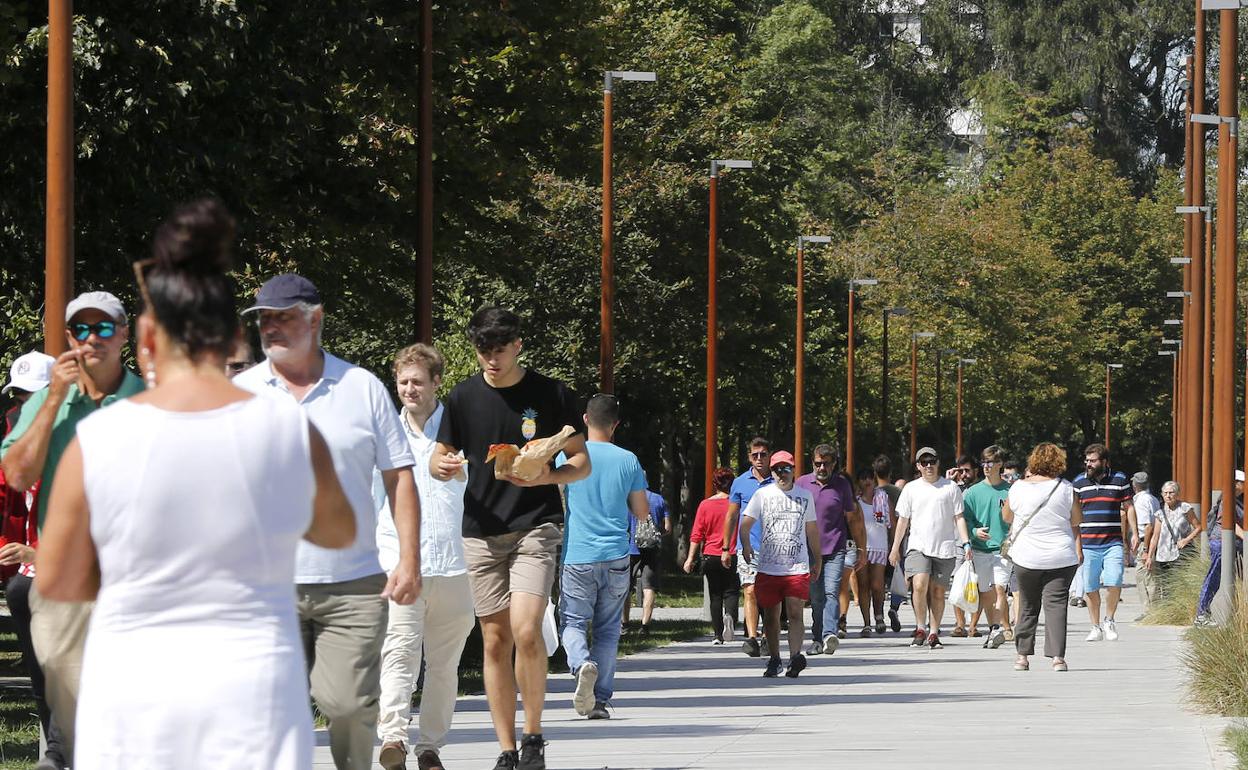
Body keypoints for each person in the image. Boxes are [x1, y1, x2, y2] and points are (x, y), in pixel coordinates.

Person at [34, 198, 357, 769]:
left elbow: (59, 579)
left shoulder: (101, 438)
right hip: (253, 687)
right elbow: (338, 531)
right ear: (235, 336)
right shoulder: (285, 427)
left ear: (147, 339)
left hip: (131, 687)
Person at [234, 273, 423, 770]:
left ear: (315, 320)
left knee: (346, 706)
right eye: (263, 320)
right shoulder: (240, 393)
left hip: (353, 583)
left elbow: (400, 478)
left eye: (283, 317)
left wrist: (408, 559)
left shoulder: (361, 388)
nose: (271, 329)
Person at [430, 307, 589, 770]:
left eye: (499, 350)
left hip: (535, 526)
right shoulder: (462, 398)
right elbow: (440, 457)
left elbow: (581, 463)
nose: (491, 360)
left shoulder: (550, 392)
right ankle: (505, 748)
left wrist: (540, 478)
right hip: (480, 531)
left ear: (518, 345)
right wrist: (441, 466)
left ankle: (533, 735)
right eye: (483, 351)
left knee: (525, 628)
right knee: (495, 640)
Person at [2, 290, 145, 764]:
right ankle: (62, 750)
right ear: (67, 338)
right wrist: (51, 402)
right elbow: (17, 477)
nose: (91, 338)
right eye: (80, 329)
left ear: (123, 334)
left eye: (103, 328)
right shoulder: (43, 406)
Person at [375, 343, 475, 770]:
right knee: (398, 652)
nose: (409, 389)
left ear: (437, 382)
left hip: (457, 563)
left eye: (418, 381)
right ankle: (393, 737)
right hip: (400, 563)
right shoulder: (384, 436)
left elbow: (486, 491)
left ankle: (431, 747)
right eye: (403, 381)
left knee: (443, 664)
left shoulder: (463, 434)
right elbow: (370, 500)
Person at [559, 393, 648, 721]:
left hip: (577, 553)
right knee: (609, 628)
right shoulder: (629, 460)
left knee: (572, 621)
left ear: (585, 419)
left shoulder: (569, 456)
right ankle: (598, 701)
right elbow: (640, 511)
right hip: (616, 555)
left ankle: (581, 662)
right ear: (616, 425)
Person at [0, 351, 63, 770]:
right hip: (23, 576)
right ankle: (57, 752)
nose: (25, 405)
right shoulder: (12, 437)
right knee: (41, 677)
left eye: (34, 396)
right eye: (19, 396)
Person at [739, 451, 820, 678]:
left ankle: (795, 657)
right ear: (771, 472)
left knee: (795, 612)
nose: (781, 474)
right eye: (776, 469)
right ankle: (775, 659)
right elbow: (745, 525)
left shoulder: (805, 496)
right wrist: (745, 545)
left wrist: (818, 558)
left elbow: (812, 530)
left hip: (797, 566)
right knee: (772, 616)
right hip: (768, 567)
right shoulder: (762, 495)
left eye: (786, 469)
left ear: (794, 470)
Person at [1003, 442, 1082, 672]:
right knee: (1056, 605)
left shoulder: (1018, 487)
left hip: (1026, 557)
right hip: (1061, 556)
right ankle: (1057, 658)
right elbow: (1076, 520)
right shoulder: (1067, 488)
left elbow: (1007, 517)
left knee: (1027, 604)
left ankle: (1022, 657)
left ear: (1033, 461)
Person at [889, 447, 972, 650]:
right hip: (918, 546)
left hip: (944, 547)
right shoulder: (910, 488)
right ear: (918, 466)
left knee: (937, 591)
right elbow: (903, 521)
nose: (928, 465)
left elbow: (959, 517)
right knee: (919, 584)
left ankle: (934, 631)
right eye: (923, 462)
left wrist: (966, 542)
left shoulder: (950, 488)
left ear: (938, 463)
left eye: (932, 461)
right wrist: (895, 548)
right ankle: (920, 627)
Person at [795, 443, 861, 654]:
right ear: (812, 463)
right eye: (818, 463)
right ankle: (816, 637)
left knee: (832, 592)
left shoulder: (842, 485)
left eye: (826, 464)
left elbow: (852, 519)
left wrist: (861, 548)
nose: (821, 468)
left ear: (834, 464)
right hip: (810, 551)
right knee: (816, 597)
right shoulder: (802, 483)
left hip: (835, 548)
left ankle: (828, 634)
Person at [1072, 443, 1134, 642]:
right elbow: (1073, 516)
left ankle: (1109, 620)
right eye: (1087, 460)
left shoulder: (1120, 479)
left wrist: (1134, 533)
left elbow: (1129, 506)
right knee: (1090, 587)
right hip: (1088, 544)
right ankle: (1095, 626)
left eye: (1093, 460)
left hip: (1113, 542)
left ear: (1104, 462)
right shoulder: (1078, 482)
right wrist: (1077, 546)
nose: (1088, 464)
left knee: (1114, 581)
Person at [721, 437, 774, 657]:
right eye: (755, 455)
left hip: (774, 547)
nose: (759, 459)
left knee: (769, 594)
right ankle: (752, 637)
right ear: (749, 457)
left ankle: (767, 635)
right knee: (750, 590)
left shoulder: (778, 481)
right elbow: (732, 516)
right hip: (748, 546)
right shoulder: (740, 482)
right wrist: (726, 547)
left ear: (769, 455)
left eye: (763, 454)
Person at [961, 445, 1013, 649]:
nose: (985, 467)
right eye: (983, 463)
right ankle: (994, 629)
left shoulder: (1011, 490)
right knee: (985, 592)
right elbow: (964, 519)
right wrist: (974, 532)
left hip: (1003, 551)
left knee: (1000, 589)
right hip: (980, 550)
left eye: (990, 463)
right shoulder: (972, 492)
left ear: (1000, 465)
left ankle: (1000, 626)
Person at [684, 467, 740, 644]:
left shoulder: (705, 505)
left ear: (714, 484)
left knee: (715, 595)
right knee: (731, 591)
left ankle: (717, 635)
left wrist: (690, 558)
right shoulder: (737, 504)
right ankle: (730, 615)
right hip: (731, 553)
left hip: (710, 555)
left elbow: (697, 534)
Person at [1197, 471, 1244, 624]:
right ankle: (1201, 614)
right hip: (1221, 544)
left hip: (1232, 545)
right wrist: (1245, 536)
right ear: (1236, 483)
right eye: (1243, 482)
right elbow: (1228, 522)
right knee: (1213, 578)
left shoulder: (1236, 501)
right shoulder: (1227, 501)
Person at [624, 485, 670, 635]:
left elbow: (622, 525)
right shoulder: (658, 499)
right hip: (652, 549)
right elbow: (667, 527)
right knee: (649, 587)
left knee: (626, 588)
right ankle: (645, 626)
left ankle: (625, 624)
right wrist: (655, 536)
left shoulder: (627, 499)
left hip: (631, 549)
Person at [1146, 481, 1200, 598]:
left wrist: (1186, 540)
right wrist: (1150, 556)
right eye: (1165, 493)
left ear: (1177, 494)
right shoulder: (1160, 513)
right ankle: (1169, 613)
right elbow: (1155, 536)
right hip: (1163, 556)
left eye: (1171, 492)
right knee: (1165, 588)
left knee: (1180, 585)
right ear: (1162, 494)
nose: (1168, 496)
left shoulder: (1185, 508)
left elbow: (1198, 527)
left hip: (1180, 553)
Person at [855, 467, 892, 635]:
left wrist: (894, 546)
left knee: (877, 585)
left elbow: (893, 522)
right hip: (862, 547)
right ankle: (866, 623)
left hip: (880, 546)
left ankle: (879, 615)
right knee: (863, 585)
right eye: (863, 478)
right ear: (858, 482)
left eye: (870, 477)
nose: (867, 481)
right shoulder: (855, 502)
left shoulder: (883, 498)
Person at [873, 455, 906, 633]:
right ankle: (893, 608)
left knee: (877, 582)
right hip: (895, 541)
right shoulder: (897, 492)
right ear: (891, 472)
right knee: (896, 579)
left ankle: (878, 615)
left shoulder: (872, 493)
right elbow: (903, 518)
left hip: (875, 544)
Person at [950, 454, 979, 636]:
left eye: (967, 470)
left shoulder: (981, 488)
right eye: (961, 471)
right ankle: (960, 624)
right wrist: (949, 482)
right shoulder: (953, 489)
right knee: (958, 584)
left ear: (976, 470)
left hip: (979, 542)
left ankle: (973, 626)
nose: (964, 474)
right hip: (958, 543)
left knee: (978, 585)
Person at [1130, 471, 1161, 616]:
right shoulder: (1153, 499)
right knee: (1150, 575)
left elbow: (1148, 526)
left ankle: (1150, 610)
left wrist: (1146, 550)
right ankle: (1154, 609)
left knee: (1143, 575)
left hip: (1146, 541)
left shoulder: (1141, 501)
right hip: (1153, 540)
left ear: (1134, 485)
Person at [3, 351, 55, 438]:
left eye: (30, 389)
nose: (22, 396)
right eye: (17, 390)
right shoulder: (13, 416)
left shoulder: (74, 414)